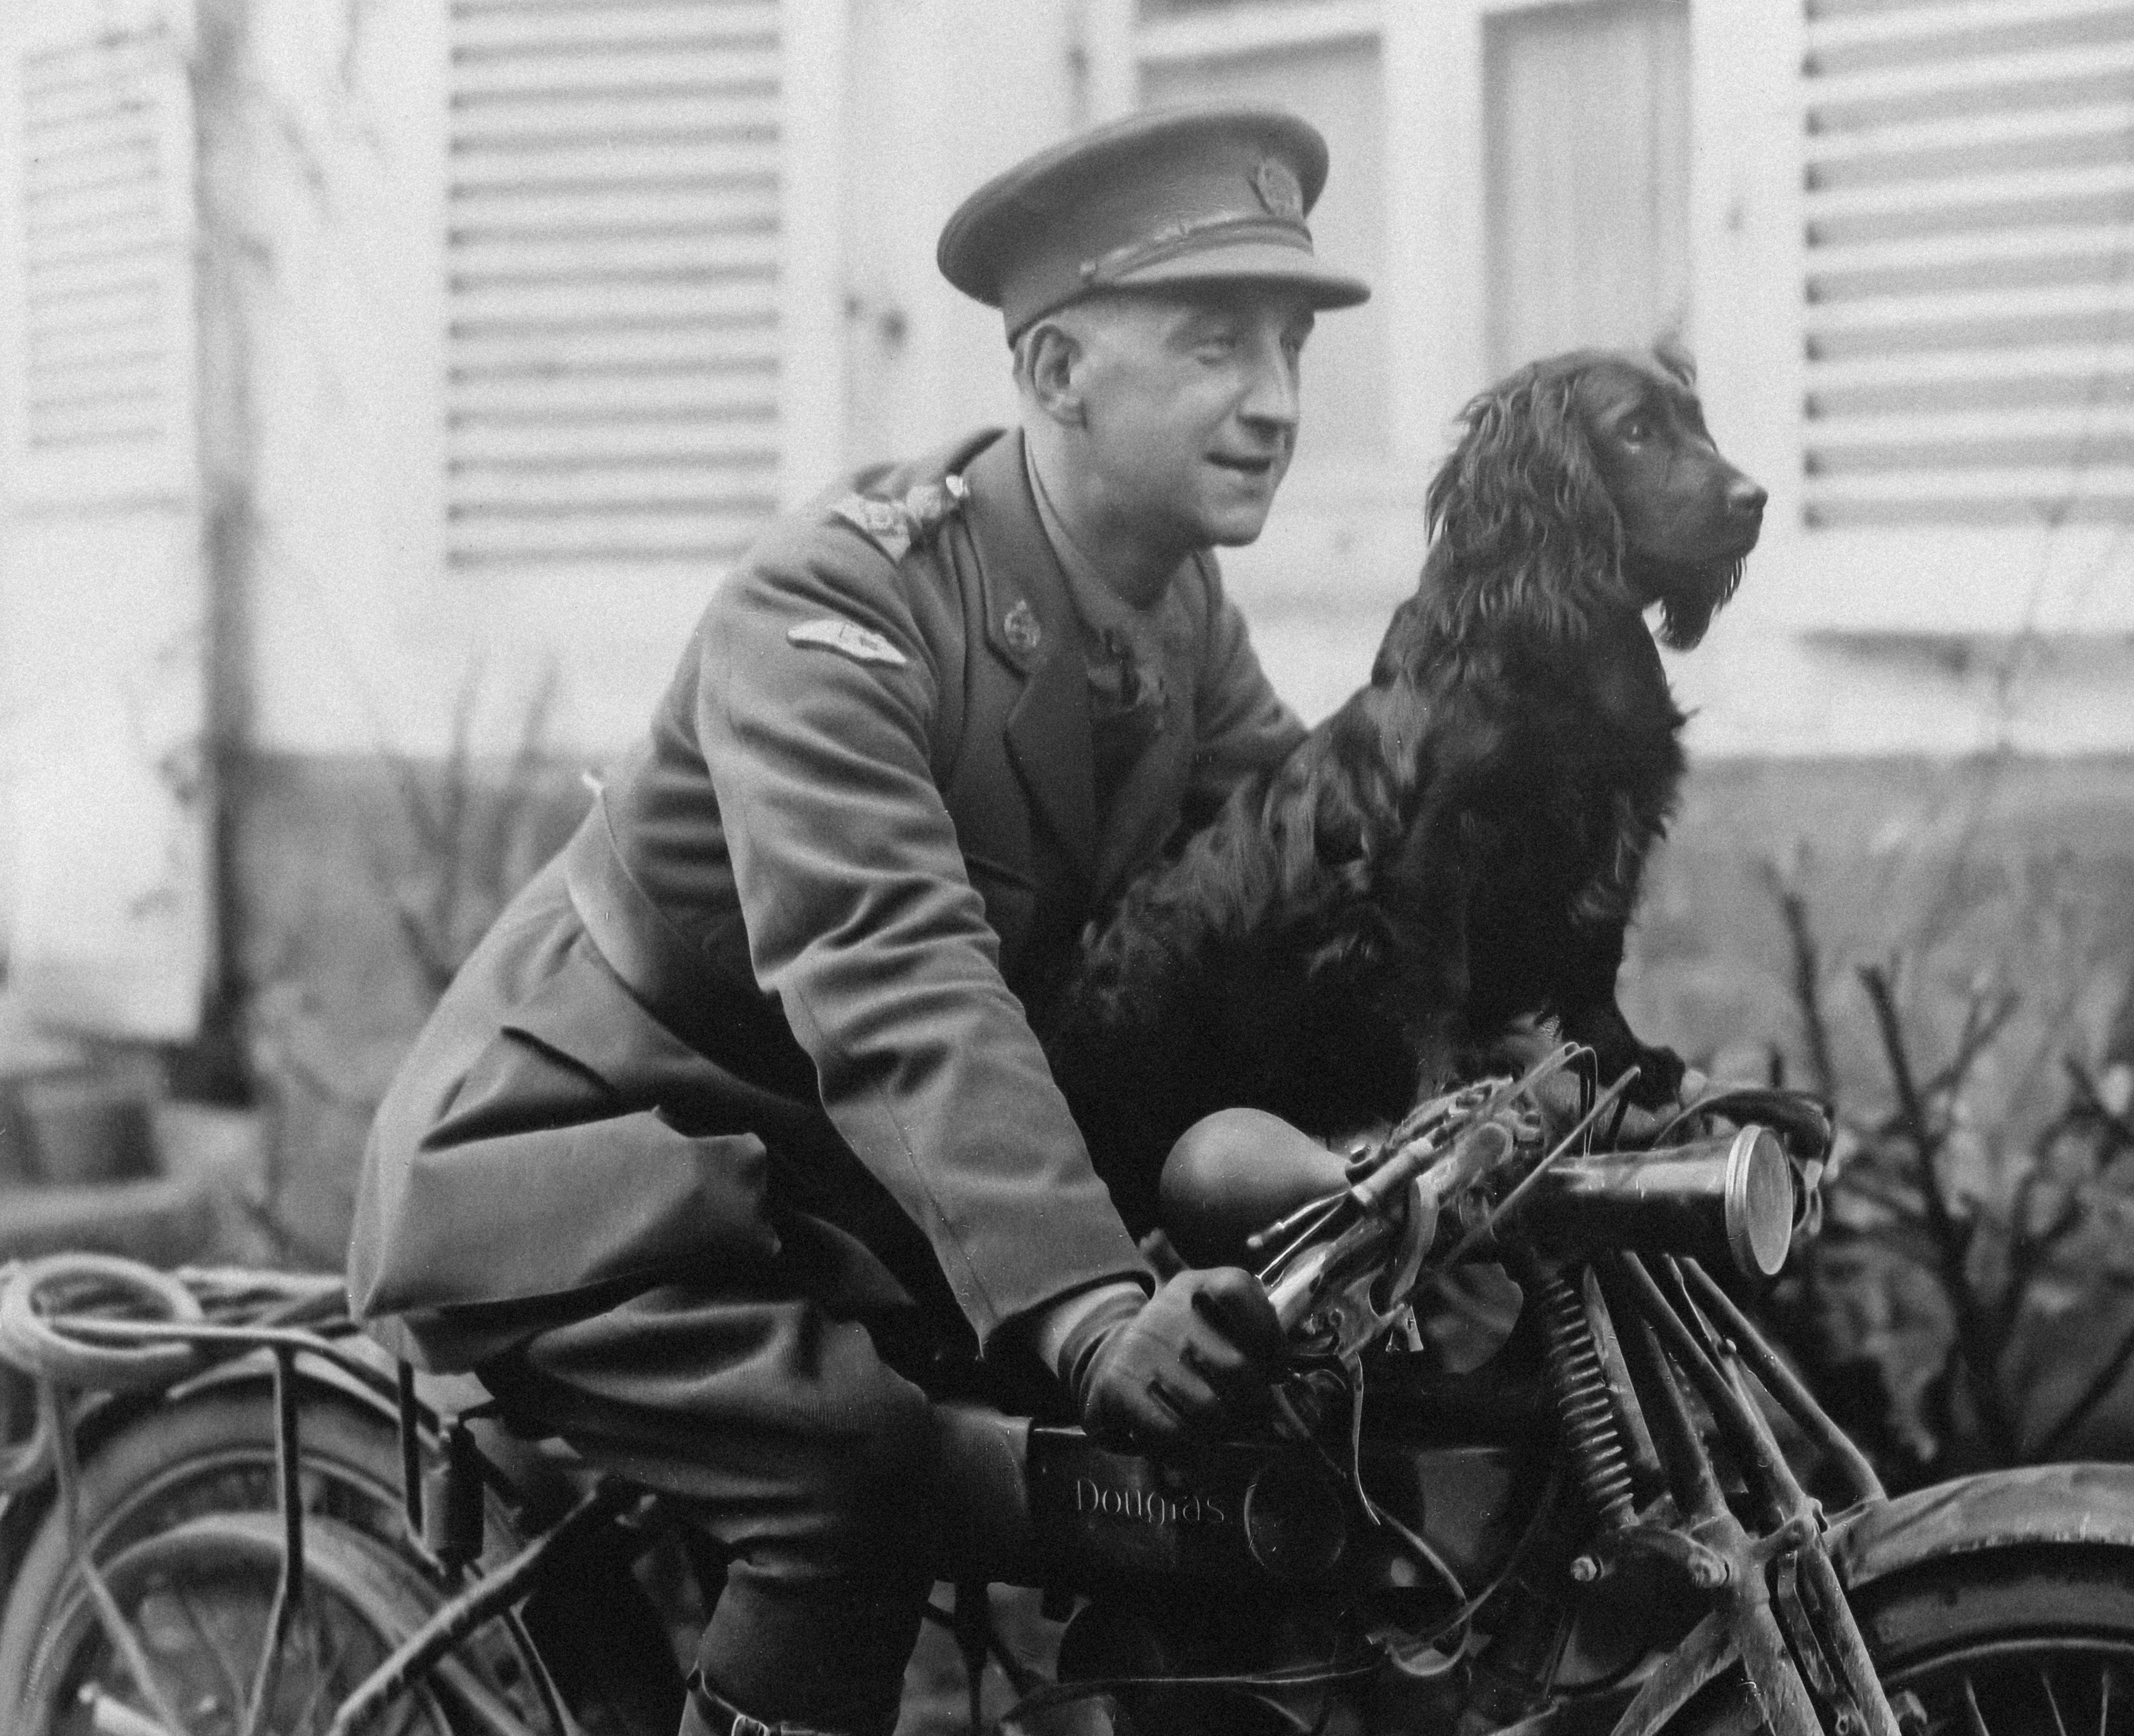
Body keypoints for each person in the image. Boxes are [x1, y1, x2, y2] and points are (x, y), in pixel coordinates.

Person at [347, 105, 1371, 1736]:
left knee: (1220, 1472)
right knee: (858, 1474)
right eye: (1213, 344)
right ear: (1051, 376)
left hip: (827, 1181)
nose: (1273, 402)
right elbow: (895, 967)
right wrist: (1085, 1305)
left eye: (1291, 348)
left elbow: (1298, 880)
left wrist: (1518, 1059)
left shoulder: (1176, 606)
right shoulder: (839, 603)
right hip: (590, 1169)